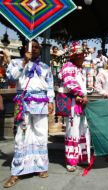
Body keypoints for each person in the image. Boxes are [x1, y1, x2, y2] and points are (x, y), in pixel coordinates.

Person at [4, 40, 55, 188]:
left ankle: (41, 166)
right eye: (31, 47)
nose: (35, 50)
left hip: (41, 103)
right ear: (25, 48)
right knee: (21, 135)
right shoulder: (15, 62)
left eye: (37, 47)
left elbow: (50, 85)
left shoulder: (45, 67)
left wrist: (51, 101)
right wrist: (24, 62)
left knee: (41, 134)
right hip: (23, 103)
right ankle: (17, 171)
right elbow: (11, 78)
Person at [58, 42, 90, 172]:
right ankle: (71, 160)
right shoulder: (68, 66)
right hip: (73, 104)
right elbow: (69, 82)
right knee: (73, 130)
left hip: (81, 103)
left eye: (83, 55)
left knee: (83, 129)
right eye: (80, 55)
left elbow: (82, 86)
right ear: (74, 56)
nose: (82, 57)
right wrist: (80, 93)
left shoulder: (80, 70)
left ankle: (82, 157)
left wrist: (84, 95)